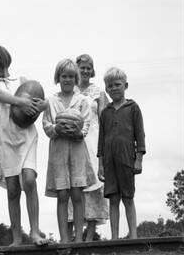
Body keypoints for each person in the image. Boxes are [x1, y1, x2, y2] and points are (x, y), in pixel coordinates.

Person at [0, 45, 48, 246]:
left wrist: (42, 105)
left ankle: (35, 232)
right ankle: (17, 238)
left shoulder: (22, 81)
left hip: (25, 136)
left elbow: (41, 102)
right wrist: (21, 102)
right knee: (12, 189)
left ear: (1, 61)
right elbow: (1, 96)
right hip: (5, 139)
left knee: (28, 179)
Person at [43, 58, 97, 243]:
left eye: (71, 76)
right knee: (63, 195)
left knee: (77, 193)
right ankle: (65, 240)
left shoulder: (82, 101)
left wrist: (78, 132)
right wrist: (56, 129)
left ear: (76, 79)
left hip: (77, 150)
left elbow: (86, 124)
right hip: (58, 151)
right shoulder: (50, 101)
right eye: (64, 76)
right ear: (58, 78)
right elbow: (46, 124)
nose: (67, 79)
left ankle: (79, 240)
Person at [98, 67, 145, 240]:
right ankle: (115, 238)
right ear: (106, 89)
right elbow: (101, 140)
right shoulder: (105, 113)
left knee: (128, 197)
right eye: (110, 86)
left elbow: (140, 135)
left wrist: (138, 159)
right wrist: (100, 164)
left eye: (117, 84)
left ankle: (133, 236)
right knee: (113, 199)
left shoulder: (133, 108)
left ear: (125, 85)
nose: (114, 88)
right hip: (109, 162)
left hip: (127, 159)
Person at [67, 54, 109, 241]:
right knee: (71, 186)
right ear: (76, 69)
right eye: (82, 67)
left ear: (92, 71)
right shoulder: (70, 89)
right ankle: (69, 237)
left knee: (94, 187)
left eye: (88, 67)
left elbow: (105, 118)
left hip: (93, 141)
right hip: (73, 140)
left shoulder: (98, 92)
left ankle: (89, 238)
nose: (85, 70)